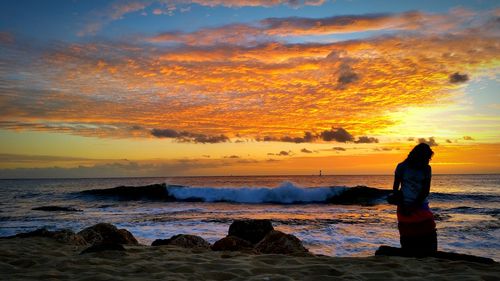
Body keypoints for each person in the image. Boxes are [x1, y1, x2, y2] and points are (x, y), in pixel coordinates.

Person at [392, 143, 437, 255]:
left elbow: (425, 191)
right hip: (404, 204)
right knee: (407, 232)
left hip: (420, 204)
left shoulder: (426, 169)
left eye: (429, 159)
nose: (428, 161)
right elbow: (395, 189)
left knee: (428, 228)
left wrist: (413, 206)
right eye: (426, 158)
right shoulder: (402, 167)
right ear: (418, 156)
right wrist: (403, 205)